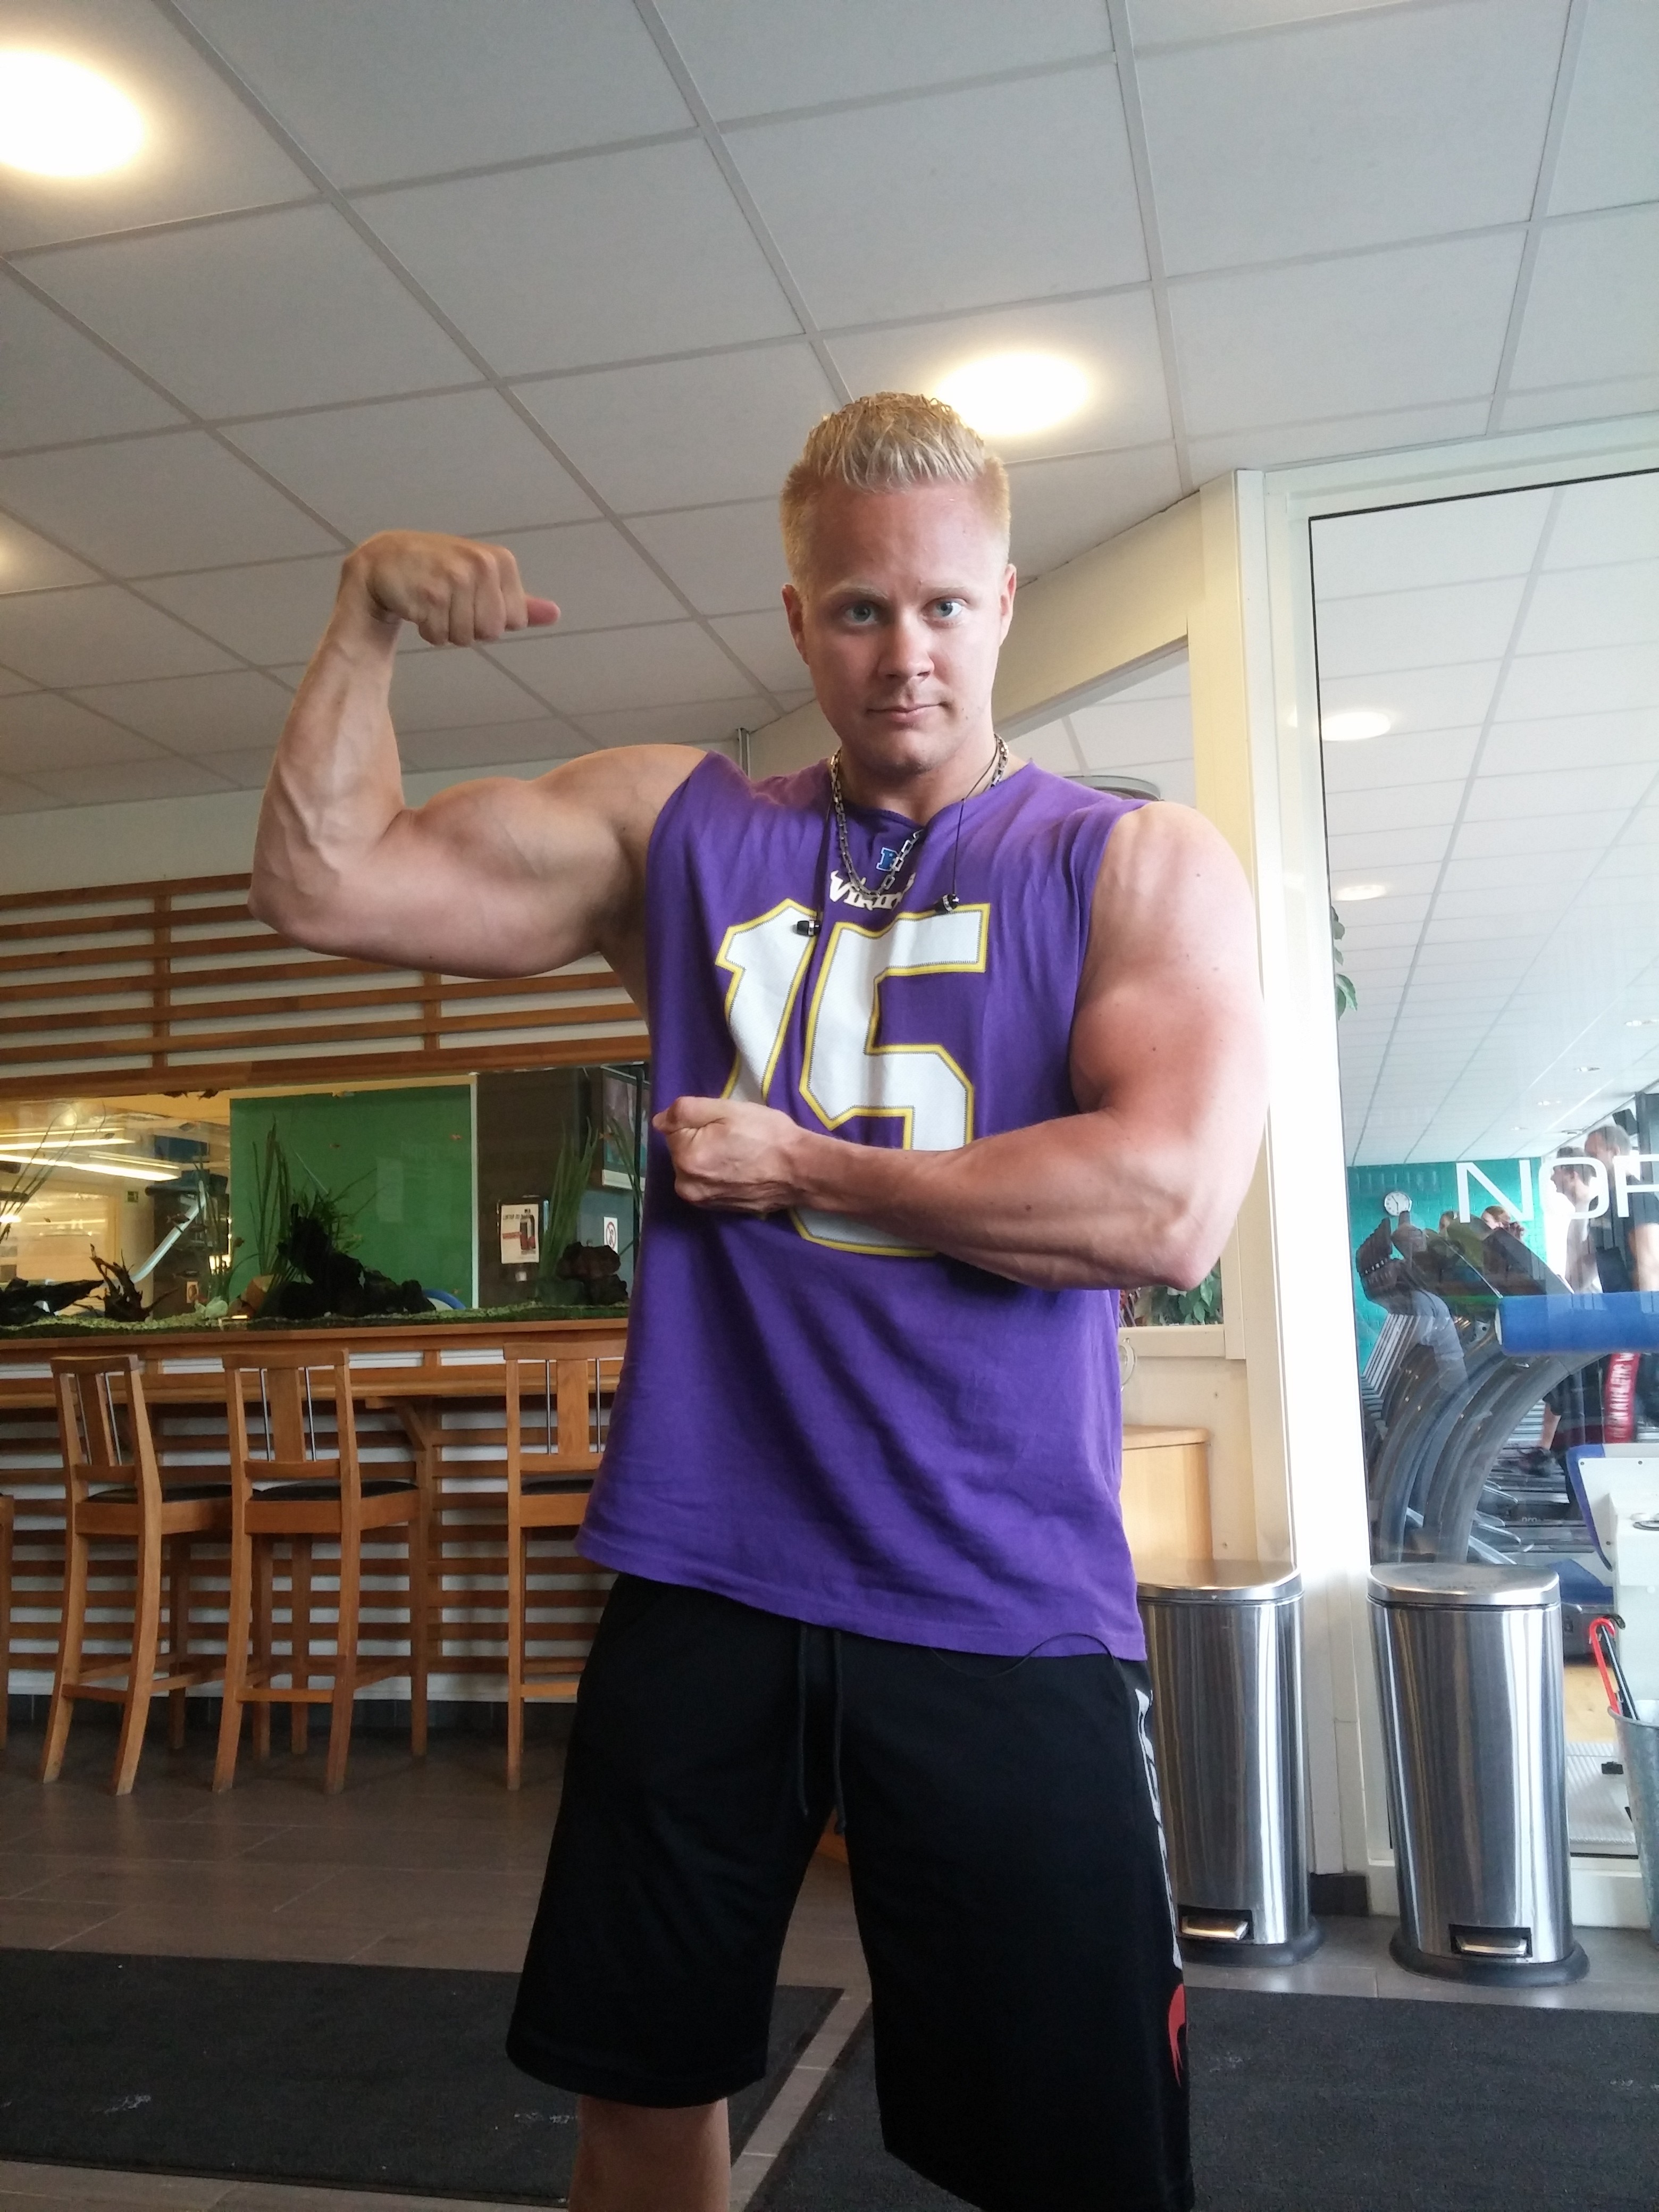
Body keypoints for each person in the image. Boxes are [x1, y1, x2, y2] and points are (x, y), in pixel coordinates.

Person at [252, 392, 1267, 2212]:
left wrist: (812, 1167)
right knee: (639, 2102)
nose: (905, 654)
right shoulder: (685, 831)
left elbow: (1163, 1205)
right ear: (800, 622)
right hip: (707, 1575)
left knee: (1082, 2153)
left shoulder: (1126, 863)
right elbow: (324, 881)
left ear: (1005, 602)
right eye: (861, 610)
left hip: (996, 1594)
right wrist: (364, 621)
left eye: (942, 606)